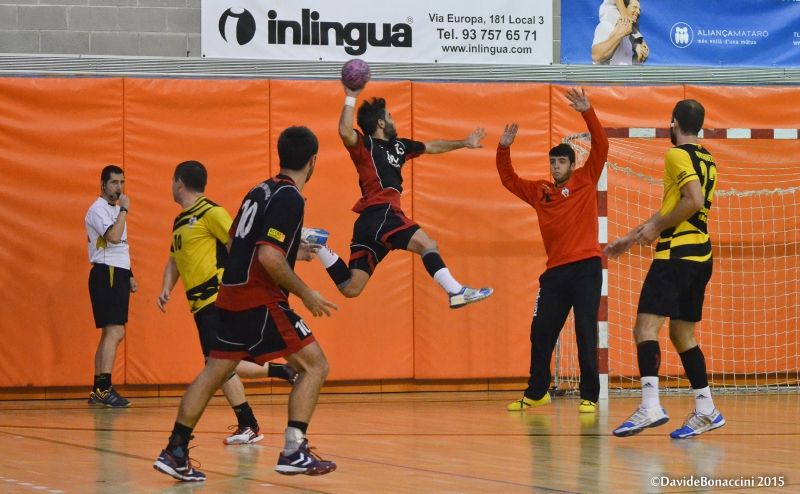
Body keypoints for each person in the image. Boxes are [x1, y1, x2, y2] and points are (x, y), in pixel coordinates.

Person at [154, 126, 338, 482]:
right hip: (259, 298)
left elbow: (245, 243)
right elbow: (269, 257)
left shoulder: (259, 190)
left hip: (229, 296)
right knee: (315, 366)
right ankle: (294, 449)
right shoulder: (290, 197)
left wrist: (295, 251)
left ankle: (175, 450)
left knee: (213, 372)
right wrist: (306, 292)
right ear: (313, 162)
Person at [309, 81, 493, 309]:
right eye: (390, 116)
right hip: (382, 212)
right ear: (380, 122)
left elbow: (432, 146)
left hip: (370, 224)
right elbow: (345, 132)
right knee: (428, 244)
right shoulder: (365, 146)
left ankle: (318, 245)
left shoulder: (400, 146)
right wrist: (351, 96)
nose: (394, 120)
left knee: (351, 288)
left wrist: (464, 143)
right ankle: (455, 291)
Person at [157, 160, 299, 446]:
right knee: (220, 364)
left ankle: (248, 423)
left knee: (217, 364)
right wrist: (165, 288)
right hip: (197, 304)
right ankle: (279, 373)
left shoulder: (212, 212)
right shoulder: (180, 220)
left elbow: (240, 245)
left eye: (172, 181)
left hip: (215, 298)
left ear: (179, 182)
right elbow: (175, 256)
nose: (171, 186)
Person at [606, 99, 725, 438]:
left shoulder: (676, 155)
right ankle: (706, 410)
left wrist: (656, 229)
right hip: (701, 254)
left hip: (676, 255)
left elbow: (692, 201)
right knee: (682, 334)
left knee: (645, 327)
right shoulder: (708, 158)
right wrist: (630, 238)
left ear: (673, 123)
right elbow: (676, 209)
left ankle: (650, 405)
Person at [498, 88, 608, 414]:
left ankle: (589, 395)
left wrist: (587, 111)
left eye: (561, 161)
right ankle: (536, 392)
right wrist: (504, 147)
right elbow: (508, 179)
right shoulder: (540, 191)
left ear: (573, 164)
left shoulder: (586, 178)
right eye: (553, 161)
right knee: (541, 331)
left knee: (585, 330)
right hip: (555, 273)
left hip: (586, 267)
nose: (556, 166)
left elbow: (601, 145)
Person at [85, 165, 136, 408]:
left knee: (111, 332)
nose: (118, 187)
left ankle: (99, 388)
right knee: (115, 332)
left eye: (121, 182)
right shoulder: (98, 209)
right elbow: (114, 238)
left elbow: (120, 245)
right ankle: (103, 388)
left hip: (118, 271)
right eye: (114, 182)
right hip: (108, 272)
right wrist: (124, 209)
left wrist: (131, 273)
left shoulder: (114, 210)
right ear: (103, 184)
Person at [592, 0, 648, 65]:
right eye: (634, 7)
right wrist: (625, 17)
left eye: (639, 10)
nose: (638, 12)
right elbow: (596, 57)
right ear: (625, 7)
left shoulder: (628, 39)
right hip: (614, 14)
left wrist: (640, 45)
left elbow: (626, 64)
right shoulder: (608, 25)